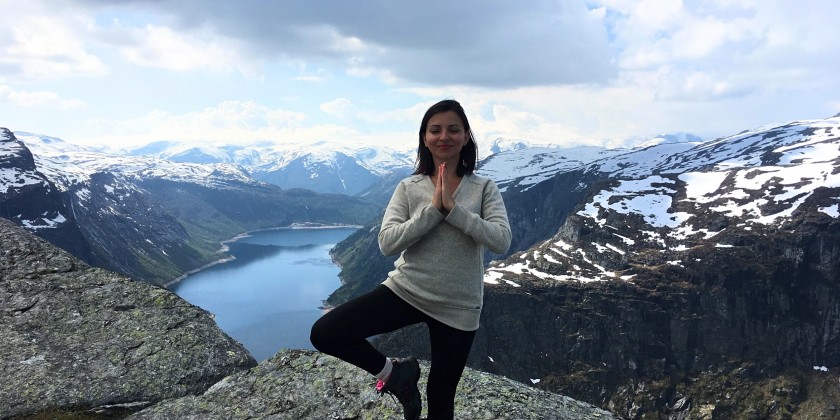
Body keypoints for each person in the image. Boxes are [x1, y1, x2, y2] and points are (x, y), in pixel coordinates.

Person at [310, 99, 511, 420]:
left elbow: (501, 240)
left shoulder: (484, 188)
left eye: (453, 129)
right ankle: (395, 374)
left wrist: (454, 210)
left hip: (459, 305)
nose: (444, 136)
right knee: (326, 333)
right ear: (424, 138)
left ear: (465, 137)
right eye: (435, 130)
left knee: (440, 398)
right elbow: (387, 243)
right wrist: (433, 211)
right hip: (407, 291)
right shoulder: (408, 187)